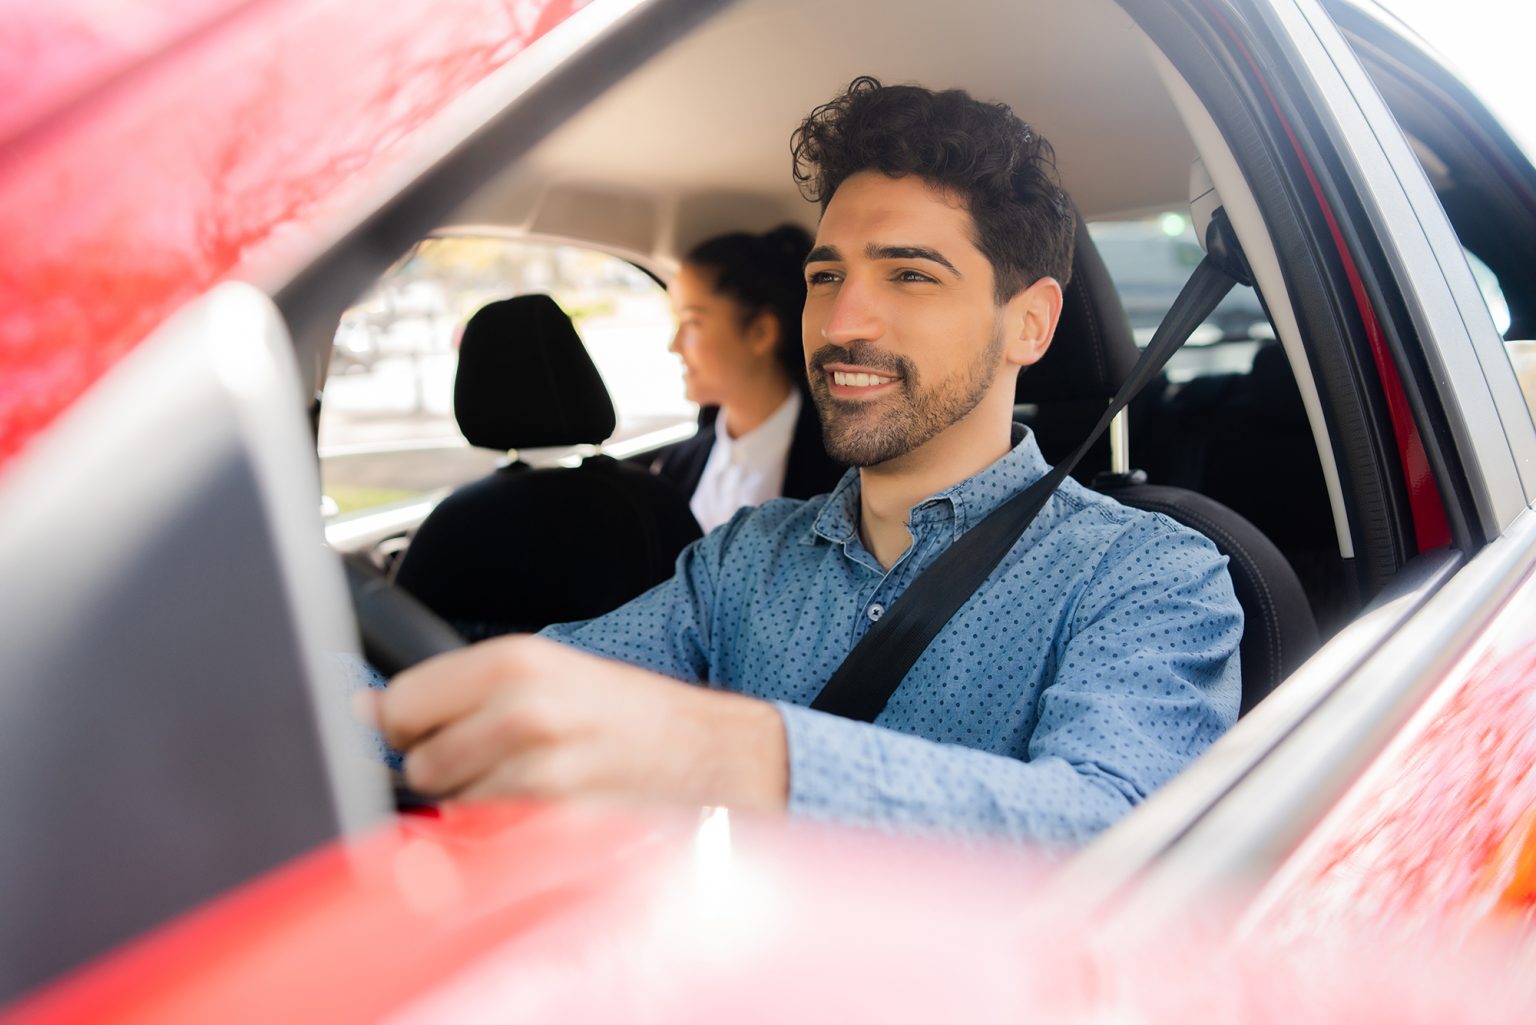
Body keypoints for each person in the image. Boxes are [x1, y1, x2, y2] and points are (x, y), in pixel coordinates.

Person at [365, 77, 1242, 847]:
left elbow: (1117, 836)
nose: (842, 321)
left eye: (909, 275)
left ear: (1031, 323)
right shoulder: (747, 560)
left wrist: (738, 750)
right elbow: (515, 710)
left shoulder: (1151, 575)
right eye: (827, 277)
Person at [653, 226, 845, 531]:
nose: (674, 345)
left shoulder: (843, 471)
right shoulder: (674, 466)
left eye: (692, 322)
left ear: (761, 332)